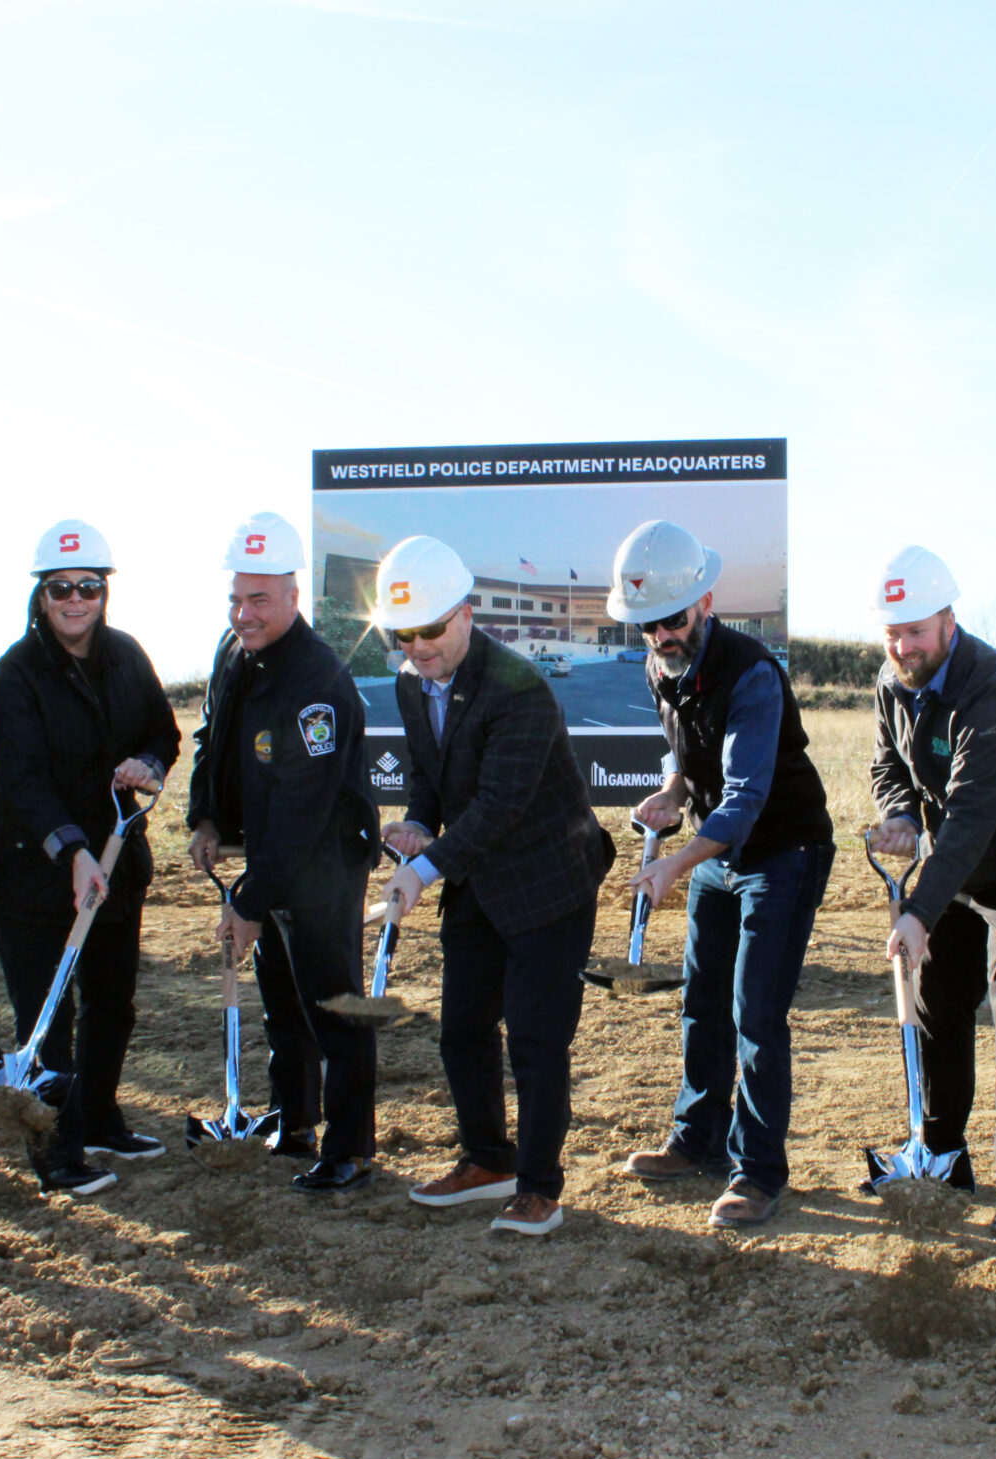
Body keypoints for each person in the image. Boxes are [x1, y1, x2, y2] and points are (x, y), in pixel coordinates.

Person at [373, 536, 616, 1236]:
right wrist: (419, 825)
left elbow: (500, 806)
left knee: (536, 1042)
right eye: (403, 634)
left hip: (549, 882)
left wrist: (422, 871)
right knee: (462, 1030)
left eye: (430, 630)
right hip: (476, 877)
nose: (417, 648)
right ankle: (489, 1160)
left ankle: (538, 1188)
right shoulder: (409, 685)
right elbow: (429, 777)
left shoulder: (520, 687)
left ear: (467, 614)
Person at [608, 520, 837, 1227]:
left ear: (705, 601)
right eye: (646, 626)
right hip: (716, 854)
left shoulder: (754, 674)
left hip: (782, 852)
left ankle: (758, 1173)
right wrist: (672, 792)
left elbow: (745, 798)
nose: (660, 637)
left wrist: (676, 860)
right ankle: (695, 1138)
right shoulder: (659, 667)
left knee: (756, 1015)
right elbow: (684, 752)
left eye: (672, 620)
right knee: (701, 1002)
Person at [867, 544, 996, 1235]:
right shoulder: (891, 681)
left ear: (949, 621)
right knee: (938, 998)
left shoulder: (995, 689)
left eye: (917, 631)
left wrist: (919, 910)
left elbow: (971, 815)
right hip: (961, 863)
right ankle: (942, 1148)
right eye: (893, 633)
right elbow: (887, 764)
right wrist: (899, 812)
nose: (904, 646)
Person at [0, 519, 181, 1198]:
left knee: (113, 1004)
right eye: (61, 587)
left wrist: (147, 763)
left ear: (104, 592)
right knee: (47, 1016)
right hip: (32, 870)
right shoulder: (15, 673)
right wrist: (72, 849)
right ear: (41, 594)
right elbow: (24, 779)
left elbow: (163, 732)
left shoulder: (126, 656)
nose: (75, 599)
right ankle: (57, 1153)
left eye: (88, 586)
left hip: (116, 861)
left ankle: (100, 1119)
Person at [183, 513, 379, 1192]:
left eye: (259, 599)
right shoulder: (233, 652)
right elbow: (213, 735)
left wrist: (248, 898)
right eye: (236, 598)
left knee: (332, 1004)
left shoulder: (317, 680)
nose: (244, 613)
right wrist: (206, 817)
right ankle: (294, 1122)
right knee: (281, 998)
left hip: (323, 859)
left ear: (293, 597)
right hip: (271, 850)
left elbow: (305, 806)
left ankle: (349, 1147)